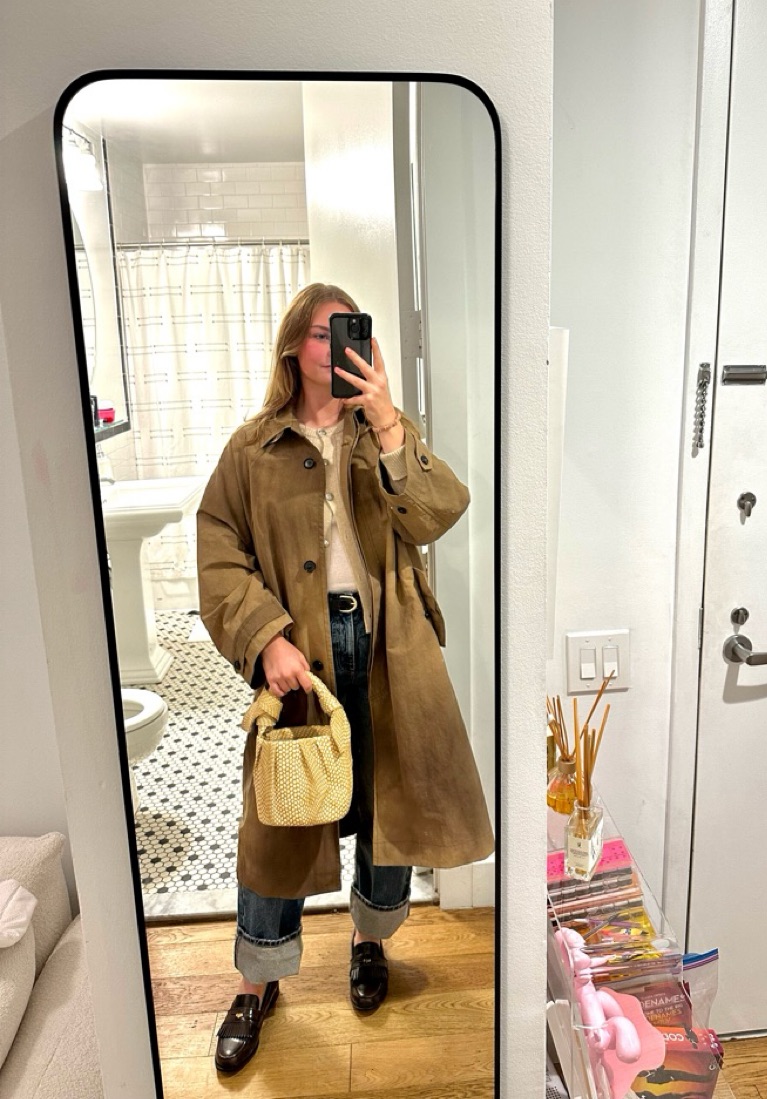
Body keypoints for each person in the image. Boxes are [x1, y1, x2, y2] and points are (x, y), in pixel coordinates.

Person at [196, 282, 494, 1074]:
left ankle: (370, 939)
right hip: (299, 651)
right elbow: (218, 550)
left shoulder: (382, 432)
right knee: (279, 815)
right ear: (295, 346)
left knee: (388, 798)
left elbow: (437, 513)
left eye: (349, 332)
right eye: (324, 334)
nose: (337, 347)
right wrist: (264, 637)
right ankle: (256, 979)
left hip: (390, 645)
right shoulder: (252, 448)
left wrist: (390, 421)